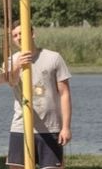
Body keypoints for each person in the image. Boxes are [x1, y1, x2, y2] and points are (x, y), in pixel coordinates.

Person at [5, 21, 72, 169]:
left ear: (32, 34)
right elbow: (11, 81)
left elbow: (65, 93)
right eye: (15, 35)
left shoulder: (53, 58)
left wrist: (66, 127)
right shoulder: (10, 62)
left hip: (50, 127)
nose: (18, 38)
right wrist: (18, 65)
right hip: (20, 126)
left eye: (21, 33)